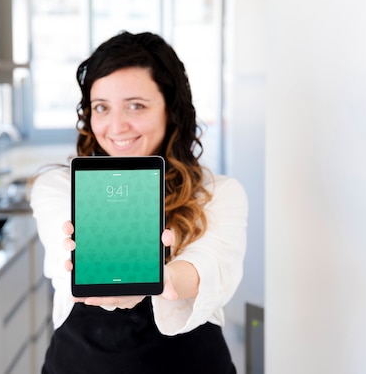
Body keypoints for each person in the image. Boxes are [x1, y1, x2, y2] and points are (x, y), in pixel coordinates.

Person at [30, 31, 248, 374]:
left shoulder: (218, 192)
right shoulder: (57, 187)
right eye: (101, 107)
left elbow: (213, 265)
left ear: (171, 110)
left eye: (136, 105)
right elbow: (71, 255)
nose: (117, 126)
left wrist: (162, 278)